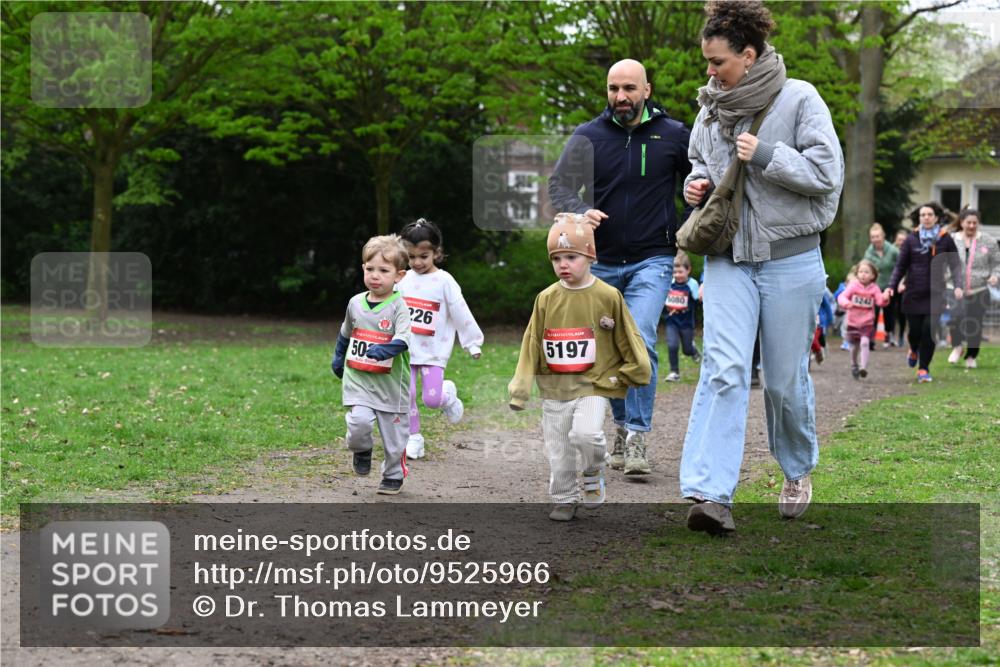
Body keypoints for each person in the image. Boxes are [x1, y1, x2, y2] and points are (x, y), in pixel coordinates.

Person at [678, 0, 844, 533]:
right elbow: (702, 167)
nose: (710, 72)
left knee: (782, 381)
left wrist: (768, 154)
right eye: (706, 61)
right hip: (729, 261)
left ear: (748, 56)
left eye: (719, 62)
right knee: (723, 369)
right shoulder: (709, 111)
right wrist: (696, 185)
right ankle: (710, 493)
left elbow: (826, 175)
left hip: (791, 261)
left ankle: (796, 469)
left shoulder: (800, 99)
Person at [548, 57, 692, 476]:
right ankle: (621, 425)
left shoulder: (673, 134)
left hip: (653, 257)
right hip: (601, 260)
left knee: (641, 337)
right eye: (614, 89)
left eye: (629, 88)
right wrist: (580, 211)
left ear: (646, 90)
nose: (620, 97)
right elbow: (558, 186)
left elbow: (698, 186)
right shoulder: (587, 136)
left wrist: (683, 229)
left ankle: (637, 438)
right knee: (606, 349)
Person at [508, 215, 651, 520]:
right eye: (557, 258)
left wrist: (637, 369)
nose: (563, 264)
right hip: (555, 388)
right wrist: (520, 389)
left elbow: (627, 335)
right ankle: (564, 497)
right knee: (559, 449)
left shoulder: (608, 295)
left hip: (594, 384)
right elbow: (532, 341)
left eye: (571, 257)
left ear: (590, 256)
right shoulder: (546, 298)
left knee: (586, 435)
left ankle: (593, 469)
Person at [331, 235, 412, 495]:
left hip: (391, 386)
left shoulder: (400, 306)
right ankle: (362, 449)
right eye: (370, 269)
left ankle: (393, 474)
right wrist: (338, 357)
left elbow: (404, 339)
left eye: (383, 270)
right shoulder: (355, 303)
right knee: (358, 423)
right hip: (359, 379)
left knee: (394, 439)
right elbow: (345, 332)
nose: (375, 276)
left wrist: (383, 349)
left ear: (399, 276)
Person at [398, 218, 484, 459]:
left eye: (423, 256)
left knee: (431, 399)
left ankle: (447, 395)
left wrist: (472, 341)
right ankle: (413, 438)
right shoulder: (402, 279)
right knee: (407, 396)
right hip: (405, 349)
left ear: (436, 253)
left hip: (434, 352)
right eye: (411, 256)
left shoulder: (445, 281)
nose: (417, 262)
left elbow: (460, 311)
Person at [885, 202, 964, 383]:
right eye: (923, 215)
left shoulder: (945, 239)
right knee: (915, 332)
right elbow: (900, 266)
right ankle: (913, 348)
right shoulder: (911, 239)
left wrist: (958, 285)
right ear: (919, 218)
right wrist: (891, 285)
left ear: (936, 217)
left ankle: (923, 368)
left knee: (929, 332)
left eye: (929, 214)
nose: (926, 218)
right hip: (913, 293)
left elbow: (955, 265)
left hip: (936, 294)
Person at [945, 207, 1000, 369]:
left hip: (979, 289)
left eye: (974, 223)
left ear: (978, 223)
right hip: (954, 287)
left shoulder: (988, 241)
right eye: (968, 222)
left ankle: (971, 356)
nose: (971, 226)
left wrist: (995, 275)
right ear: (961, 223)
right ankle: (957, 346)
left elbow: (997, 263)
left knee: (975, 324)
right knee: (955, 318)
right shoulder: (951, 240)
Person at [837, 259, 888, 379]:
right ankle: (854, 364)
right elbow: (842, 297)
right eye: (860, 272)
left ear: (873, 275)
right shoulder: (853, 286)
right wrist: (846, 303)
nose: (863, 274)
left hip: (867, 322)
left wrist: (885, 297)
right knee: (854, 347)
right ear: (857, 274)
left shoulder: (874, 288)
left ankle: (863, 367)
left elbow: (880, 301)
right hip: (853, 322)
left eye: (866, 272)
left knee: (865, 342)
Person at [662, 252, 702, 382]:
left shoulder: (692, 284)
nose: (677, 275)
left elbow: (698, 300)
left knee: (686, 350)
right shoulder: (669, 283)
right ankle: (674, 372)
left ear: (688, 270)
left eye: (680, 272)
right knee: (672, 345)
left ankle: (693, 350)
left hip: (686, 323)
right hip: (671, 321)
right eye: (675, 272)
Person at [863, 223, 899, 349]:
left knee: (890, 312)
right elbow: (864, 268)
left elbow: (902, 266)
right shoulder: (869, 253)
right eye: (873, 237)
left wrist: (901, 282)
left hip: (890, 285)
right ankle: (871, 339)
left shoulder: (893, 250)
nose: (876, 239)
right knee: (873, 312)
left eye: (878, 236)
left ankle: (889, 334)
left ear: (883, 236)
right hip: (874, 287)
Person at [891, 229, 910, 346]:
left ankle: (902, 334)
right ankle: (891, 334)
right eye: (899, 240)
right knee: (892, 310)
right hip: (892, 284)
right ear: (896, 241)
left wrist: (904, 281)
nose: (902, 242)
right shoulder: (891, 251)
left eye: (904, 240)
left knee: (902, 311)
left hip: (905, 284)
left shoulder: (909, 251)